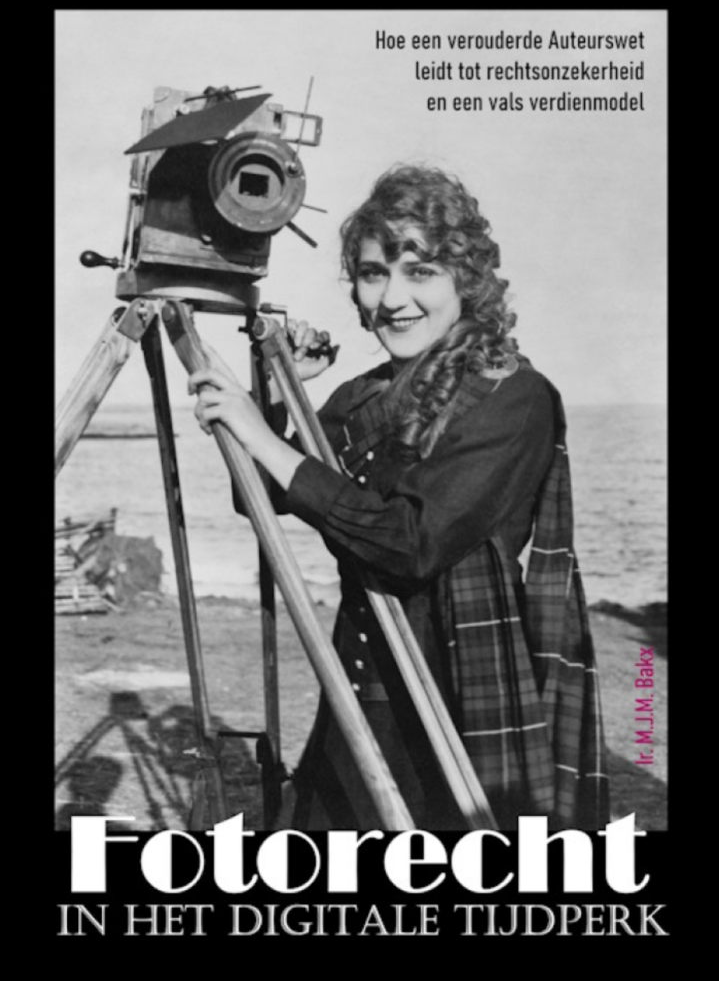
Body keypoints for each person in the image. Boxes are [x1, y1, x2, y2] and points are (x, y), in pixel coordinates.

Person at [189, 164, 610, 831]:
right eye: (372, 273)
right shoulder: (365, 395)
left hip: (459, 703)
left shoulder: (512, 396)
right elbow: (262, 495)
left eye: (419, 272)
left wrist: (258, 432)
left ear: (465, 280)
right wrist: (278, 388)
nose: (392, 298)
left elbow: (409, 542)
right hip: (359, 692)